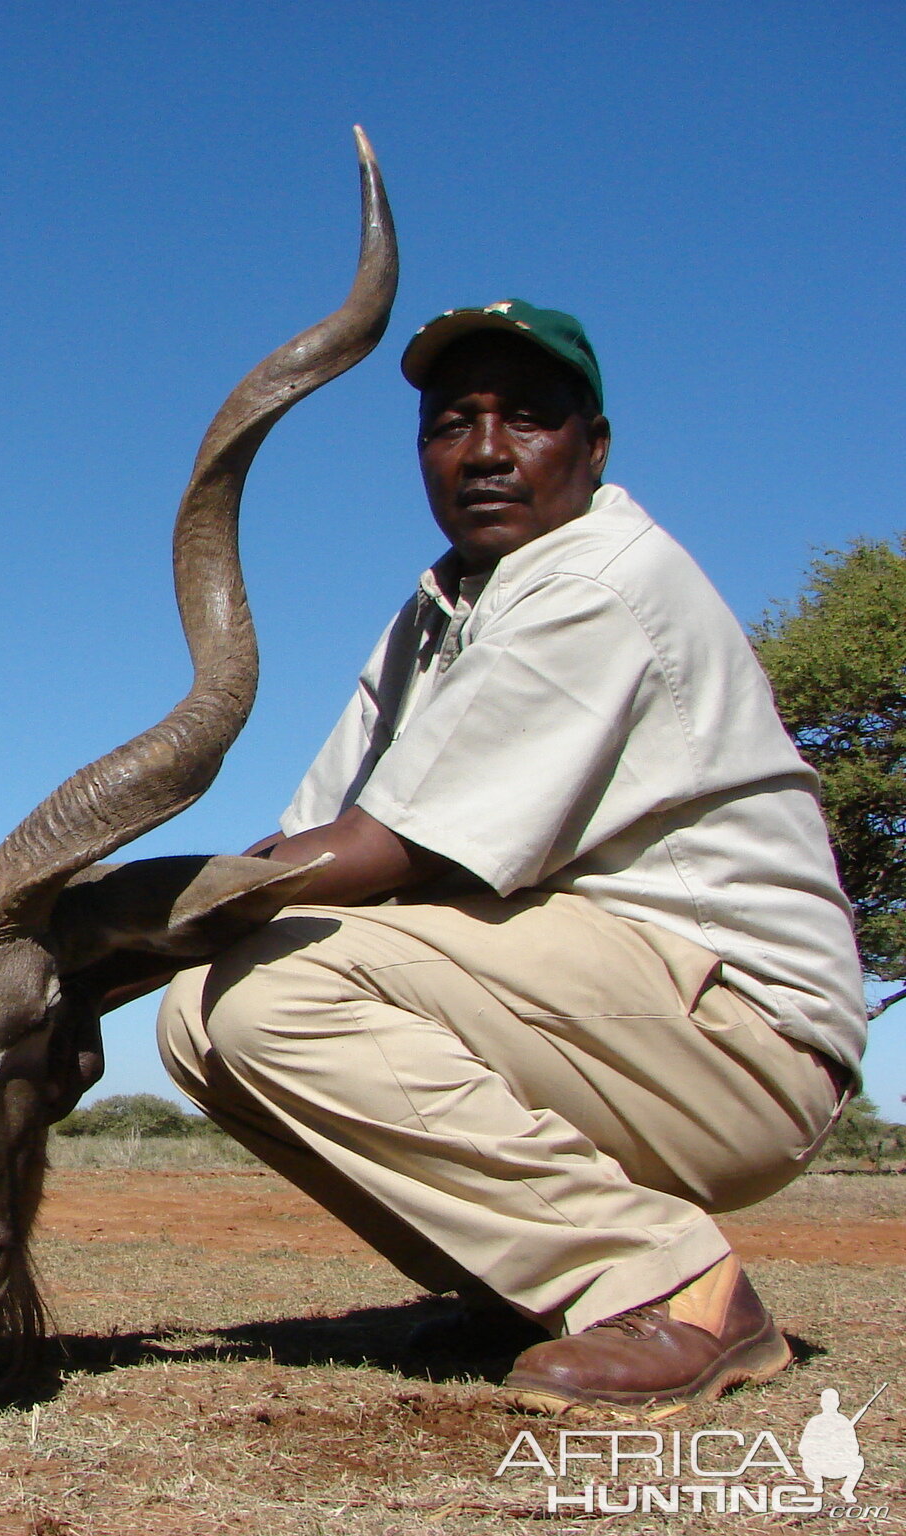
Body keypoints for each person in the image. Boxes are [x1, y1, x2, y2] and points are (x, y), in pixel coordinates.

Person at [157, 301, 867, 1416]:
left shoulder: (594, 577)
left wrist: (95, 922)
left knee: (274, 990)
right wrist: (141, 939)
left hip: (740, 1035)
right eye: (451, 423)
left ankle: (672, 1290)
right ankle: (522, 1291)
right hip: (597, 1016)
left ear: (591, 447)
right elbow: (297, 849)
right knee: (196, 1012)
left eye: (526, 419)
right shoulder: (433, 613)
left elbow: (379, 850)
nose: (483, 451)